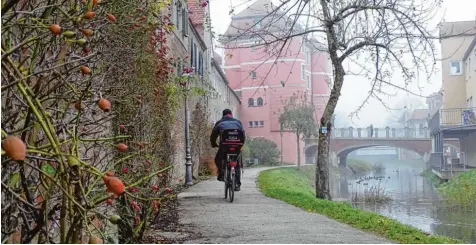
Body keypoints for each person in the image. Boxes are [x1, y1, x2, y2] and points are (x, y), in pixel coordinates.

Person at [210, 109, 245, 191]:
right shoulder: (238, 122)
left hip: (225, 146)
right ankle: (237, 184)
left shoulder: (219, 123)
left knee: (218, 159)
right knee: (236, 163)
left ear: (223, 115)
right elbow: (243, 134)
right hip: (237, 146)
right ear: (231, 114)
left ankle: (222, 173)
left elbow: (213, 135)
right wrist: (241, 144)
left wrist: (213, 143)